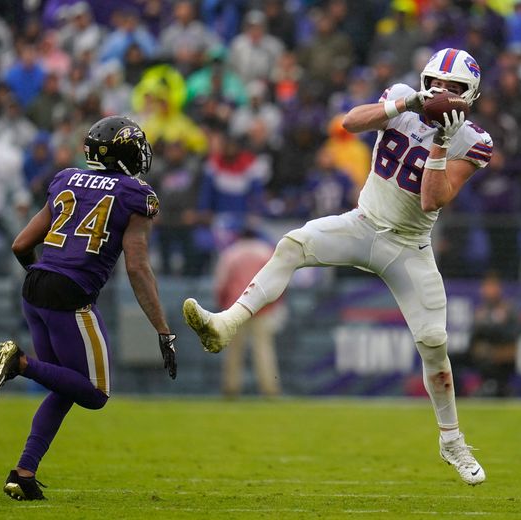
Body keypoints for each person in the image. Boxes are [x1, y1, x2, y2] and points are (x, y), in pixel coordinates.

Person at [184, 48, 492, 485]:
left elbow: (432, 199)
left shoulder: (474, 140)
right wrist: (408, 104)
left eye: (453, 89)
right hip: (363, 223)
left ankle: (451, 441)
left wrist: (441, 141)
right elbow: (349, 124)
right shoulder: (405, 96)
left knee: (434, 343)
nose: (441, 93)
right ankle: (226, 324)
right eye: (436, 84)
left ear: (470, 95)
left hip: (409, 247)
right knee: (293, 245)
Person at [0, 116, 178, 501]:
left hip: (34, 285)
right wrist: (163, 330)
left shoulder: (66, 179)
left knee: (63, 385)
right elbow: (137, 267)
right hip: (69, 293)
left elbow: (21, 244)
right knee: (96, 392)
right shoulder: (137, 195)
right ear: (123, 153)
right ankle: (20, 364)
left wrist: (45, 274)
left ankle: (23, 473)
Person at [215, 228, 283, 398]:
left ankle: (231, 388)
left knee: (234, 350)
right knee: (263, 349)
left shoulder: (231, 253)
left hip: (236, 306)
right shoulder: (266, 251)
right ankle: (269, 389)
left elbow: (221, 282)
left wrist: (222, 305)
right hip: (262, 306)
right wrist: (276, 303)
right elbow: (278, 279)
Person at [468, 272, 520, 397]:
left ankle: (497, 388)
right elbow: (473, 338)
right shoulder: (481, 312)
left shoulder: (508, 310)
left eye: (492, 287)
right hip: (482, 353)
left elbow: (515, 333)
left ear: (499, 289)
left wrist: (496, 350)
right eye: (486, 287)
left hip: (502, 353)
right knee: (452, 358)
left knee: (493, 358)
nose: (488, 291)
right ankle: (453, 395)